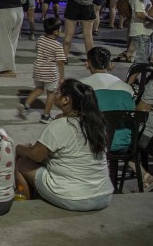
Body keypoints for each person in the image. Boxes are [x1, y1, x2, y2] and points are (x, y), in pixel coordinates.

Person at [14, 79, 114, 211]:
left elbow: (36, 155)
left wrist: (19, 148)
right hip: (104, 195)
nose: (55, 93)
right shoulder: (97, 124)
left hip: (74, 198)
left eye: (58, 92)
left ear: (66, 100)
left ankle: (23, 205)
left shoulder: (61, 125)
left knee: (22, 163)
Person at [81, 46, 137, 155]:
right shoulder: (126, 88)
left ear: (87, 64)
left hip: (92, 144)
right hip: (123, 143)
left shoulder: (80, 86)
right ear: (110, 65)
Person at [18, 17, 65, 123]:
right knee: (51, 93)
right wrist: (62, 77)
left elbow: (38, 50)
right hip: (49, 73)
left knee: (38, 89)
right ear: (56, 31)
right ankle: (45, 116)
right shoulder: (57, 46)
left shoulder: (40, 39)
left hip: (38, 69)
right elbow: (60, 63)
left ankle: (26, 105)